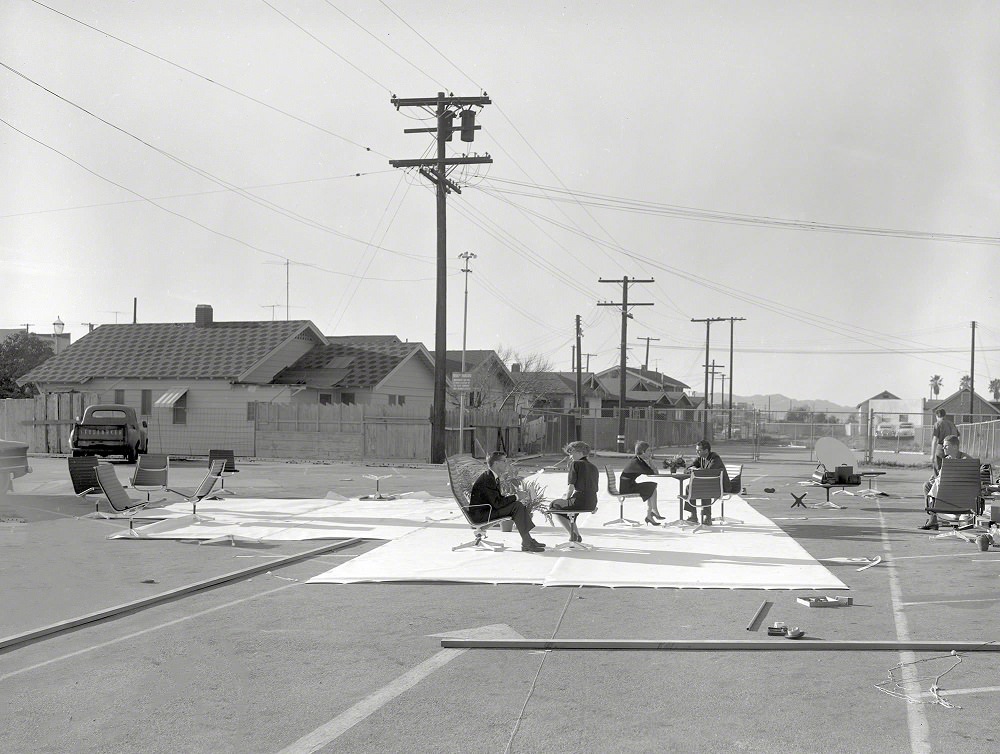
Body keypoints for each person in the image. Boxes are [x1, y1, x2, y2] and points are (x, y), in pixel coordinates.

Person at [469, 451, 547, 552]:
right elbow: (497, 504)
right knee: (517, 506)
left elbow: (496, 500)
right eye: (504, 461)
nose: (506, 463)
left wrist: (514, 496)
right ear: (496, 463)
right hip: (481, 515)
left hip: (486, 510)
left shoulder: (491, 476)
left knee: (517, 505)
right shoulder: (488, 478)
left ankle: (527, 541)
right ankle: (527, 542)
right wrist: (516, 496)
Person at [548, 441, 599, 543]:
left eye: (572, 453)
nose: (570, 456)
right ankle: (577, 536)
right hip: (592, 501)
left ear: (579, 452)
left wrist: (565, 498)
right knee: (569, 510)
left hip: (579, 500)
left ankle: (572, 534)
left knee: (554, 505)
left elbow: (571, 487)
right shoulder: (594, 467)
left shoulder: (575, 464)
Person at [920, 434, 972, 530]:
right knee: (927, 485)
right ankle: (933, 519)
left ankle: (937, 518)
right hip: (949, 490)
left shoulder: (966, 460)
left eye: (946, 445)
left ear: (955, 447)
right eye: (943, 445)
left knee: (932, 486)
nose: (943, 447)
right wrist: (936, 479)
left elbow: (964, 480)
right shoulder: (947, 460)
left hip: (960, 494)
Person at [683, 440, 730, 526]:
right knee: (689, 487)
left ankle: (707, 517)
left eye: (699, 450)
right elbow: (687, 469)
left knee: (705, 487)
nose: (697, 452)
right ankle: (693, 515)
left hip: (720, 486)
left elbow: (708, 472)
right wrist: (691, 469)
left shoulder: (715, 459)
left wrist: (696, 470)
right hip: (709, 484)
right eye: (696, 450)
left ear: (706, 450)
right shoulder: (700, 458)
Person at [619, 441, 664, 525]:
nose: (651, 452)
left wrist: (650, 461)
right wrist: (650, 461)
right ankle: (653, 511)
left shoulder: (639, 460)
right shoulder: (636, 462)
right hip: (627, 488)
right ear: (643, 451)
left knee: (651, 486)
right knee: (651, 486)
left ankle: (650, 515)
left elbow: (655, 473)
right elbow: (653, 472)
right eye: (649, 450)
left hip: (630, 485)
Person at [930, 408, 960, 473]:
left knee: (939, 470)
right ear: (945, 415)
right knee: (950, 470)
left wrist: (932, 455)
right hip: (952, 449)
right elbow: (957, 436)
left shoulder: (937, 424)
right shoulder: (952, 424)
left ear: (937, 416)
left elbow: (935, 440)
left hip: (941, 448)